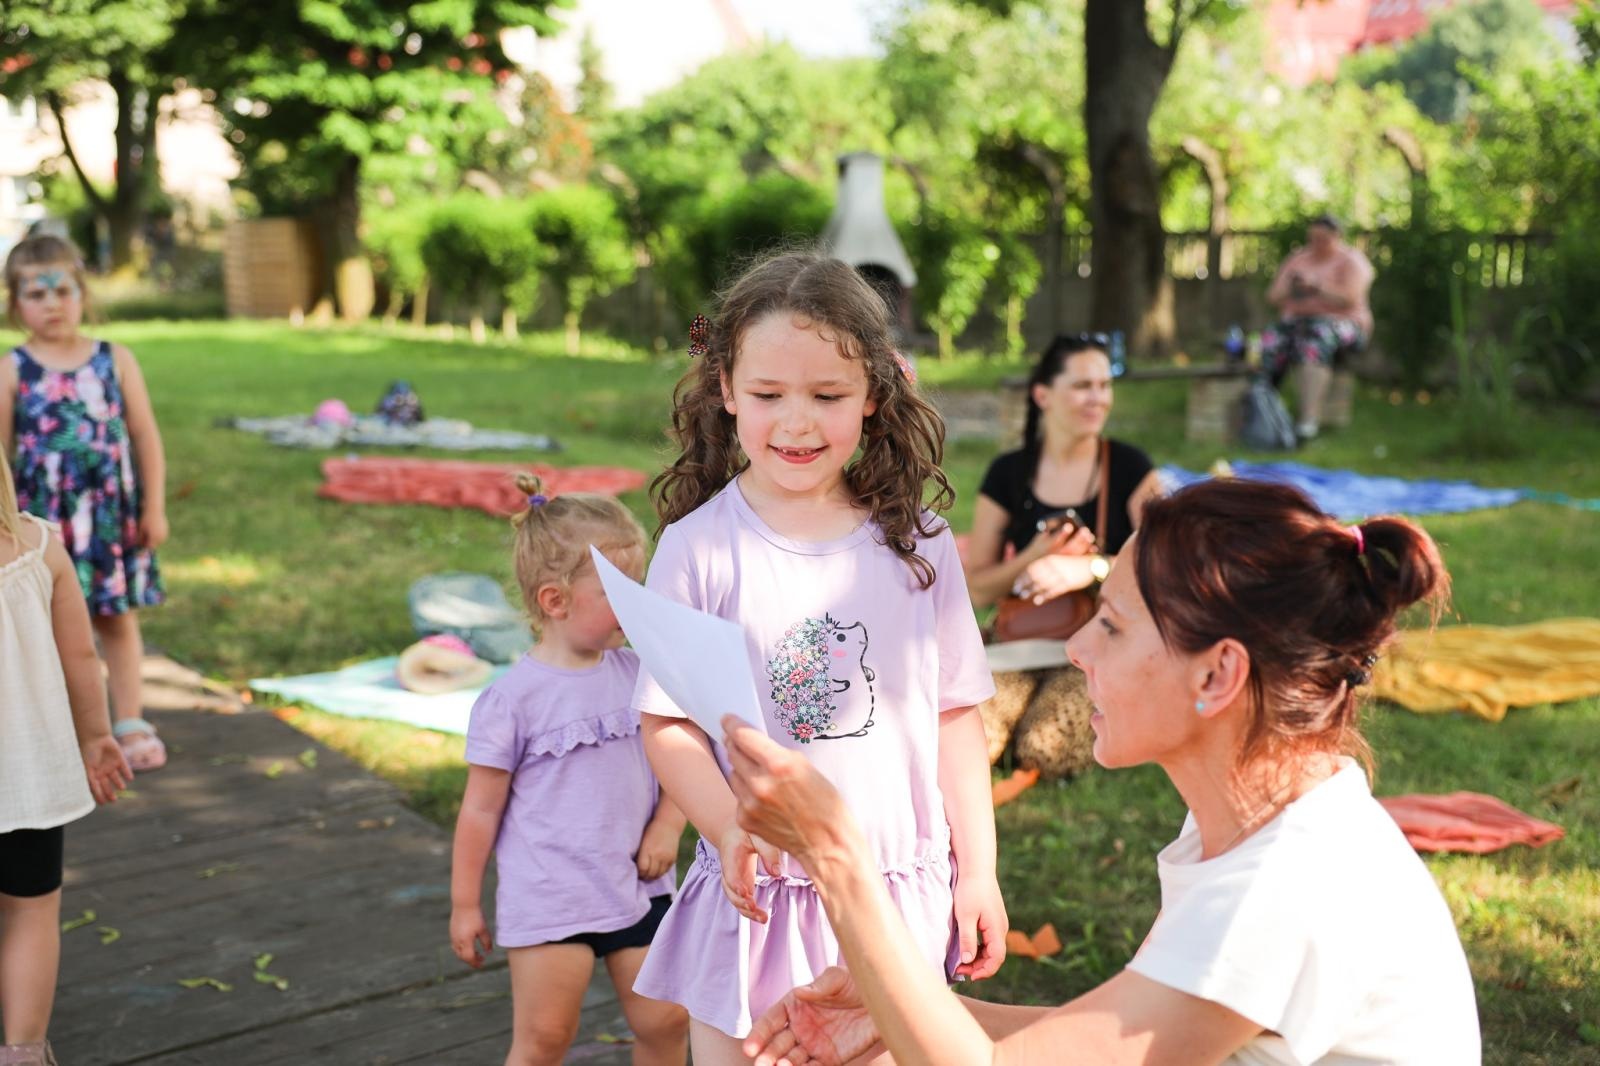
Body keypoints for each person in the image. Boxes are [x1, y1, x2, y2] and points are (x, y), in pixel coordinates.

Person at [727, 478, 1482, 1066]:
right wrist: (895, 1005)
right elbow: (1111, 1040)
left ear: (1218, 675)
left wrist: (835, 855)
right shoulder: (1268, 822)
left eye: (1113, 626)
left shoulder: (1280, 887)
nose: (1079, 648)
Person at [632, 252, 1003, 1065]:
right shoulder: (697, 550)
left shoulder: (921, 547)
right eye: (768, 396)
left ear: (874, 394)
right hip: (756, 896)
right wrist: (728, 826)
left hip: (892, 894)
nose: (796, 423)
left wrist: (978, 871)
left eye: (827, 397)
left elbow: (955, 715)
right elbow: (666, 725)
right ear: (726, 389)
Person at [449, 474, 690, 1066]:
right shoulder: (514, 701)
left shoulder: (640, 670)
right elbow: (480, 809)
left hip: (637, 885)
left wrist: (667, 826)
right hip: (551, 897)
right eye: (619, 591)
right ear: (555, 601)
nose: (637, 604)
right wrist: (464, 903)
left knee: (667, 1020)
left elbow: (687, 753)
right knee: (546, 1037)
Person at [0, 234, 170, 772]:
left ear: (83, 293)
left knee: (115, 617)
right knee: (50, 626)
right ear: (14, 303)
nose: (51, 303)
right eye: (35, 292)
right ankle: (68, 725)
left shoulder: (113, 360)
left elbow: (145, 436)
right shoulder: (12, 369)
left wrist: (155, 506)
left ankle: (130, 717)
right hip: (42, 526)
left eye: (62, 289)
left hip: (107, 520)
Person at [1, 452, 132, 1066]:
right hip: (24, 784)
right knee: (31, 911)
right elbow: (81, 656)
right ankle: (23, 1051)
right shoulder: (39, 549)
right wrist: (97, 735)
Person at [965, 333, 1163, 614]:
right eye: (1083, 386)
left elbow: (1165, 565)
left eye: (1105, 386)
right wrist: (1034, 556)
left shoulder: (1131, 467)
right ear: (1042, 395)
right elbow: (978, 591)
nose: (1098, 399)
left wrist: (1092, 566)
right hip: (1030, 645)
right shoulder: (1006, 472)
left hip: (1112, 645)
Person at [1263, 214, 1376, 442]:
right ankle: (1264, 411)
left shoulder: (1352, 260)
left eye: (1323, 238)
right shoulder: (1298, 259)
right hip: (1298, 322)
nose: (1317, 243)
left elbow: (1350, 299)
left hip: (1345, 325)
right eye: (1312, 238)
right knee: (1270, 340)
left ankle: (1308, 420)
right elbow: (1272, 296)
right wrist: (1293, 288)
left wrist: (1317, 287)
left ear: (1337, 236)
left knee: (1313, 341)